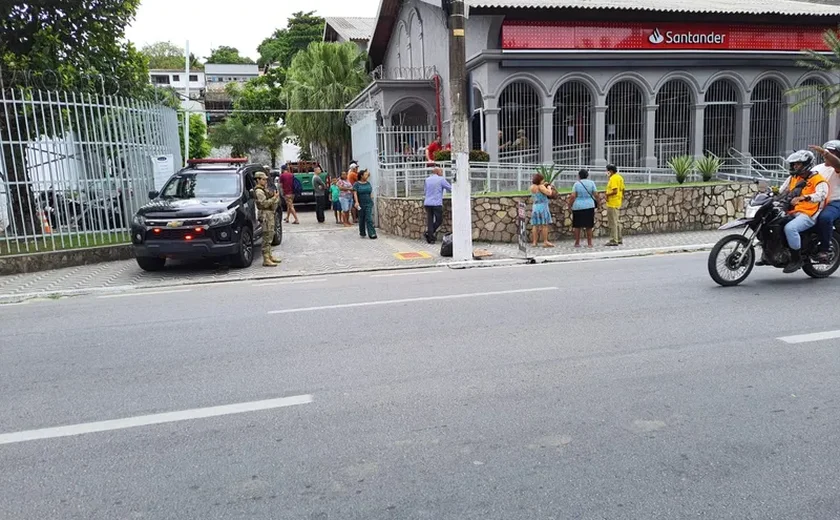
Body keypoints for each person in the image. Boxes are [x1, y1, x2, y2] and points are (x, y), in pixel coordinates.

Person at [778, 150, 828, 273]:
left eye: (798, 164)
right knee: (772, 224)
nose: (795, 166)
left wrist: (805, 197)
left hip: (808, 214)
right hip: (792, 211)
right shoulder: (793, 177)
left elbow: (822, 194)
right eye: (794, 164)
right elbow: (782, 190)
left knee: (790, 228)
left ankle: (796, 259)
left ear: (807, 164)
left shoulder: (818, 179)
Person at [808, 141, 840, 263]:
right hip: (815, 201)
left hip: (834, 202)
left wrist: (824, 152)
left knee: (825, 218)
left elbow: (837, 163)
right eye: (827, 152)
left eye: (832, 152)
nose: (827, 155)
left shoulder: (837, 167)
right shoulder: (817, 168)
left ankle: (825, 250)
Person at [254, 170, 281, 267]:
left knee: (270, 234)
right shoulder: (259, 191)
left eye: (266, 179)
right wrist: (274, 198)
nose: (265, 181)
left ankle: (269, 255)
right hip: (265, 215)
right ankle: (266, 258)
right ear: (258, 180)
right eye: (263, 179)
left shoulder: (263, 189)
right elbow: (264, 204)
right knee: (266, 236)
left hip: (269, 214)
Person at [569, 168, 598, 248]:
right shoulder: (592, 183)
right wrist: (598, 202)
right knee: (589, 225)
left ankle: (577, 242)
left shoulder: (576, 184)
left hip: (578, 206)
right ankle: (589, 243)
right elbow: (595, 194)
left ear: (579, 176)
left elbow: (573, 196)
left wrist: (570, 205)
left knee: (577, 225)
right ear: (587, 175)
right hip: (589, 205)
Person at [423, 166, 452, 244]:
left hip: (427, 203)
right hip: (436, 203)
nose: (442, 173)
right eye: (441, 172)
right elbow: (450, 188)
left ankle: (430, 237)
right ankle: (429, 234)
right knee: (439, 220)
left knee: (430, 221)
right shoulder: (441, 179)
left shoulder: (427, 179)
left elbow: (425, 191)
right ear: (437, 172)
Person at [529, 172, 554, 248]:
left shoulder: (532, 187)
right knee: (544, 224)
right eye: (542, 180)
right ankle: (545, 241)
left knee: (535, 225)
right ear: (539, 180)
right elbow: (549, 193)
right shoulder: (541, 187)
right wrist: (549, 187)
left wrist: (544, 185)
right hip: (542, 206)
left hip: (535, 206)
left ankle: (534, 242)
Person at [604, 164, 625, 246]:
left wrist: (607, 195)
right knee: (617, 221)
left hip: (612, 203)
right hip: (617, 202)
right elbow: (623, 189)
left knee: (612, 222)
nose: (606, 172)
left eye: (607, 171)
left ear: (611, 171)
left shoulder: (613, 178)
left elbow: (615, 191)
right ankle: (619, 238)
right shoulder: (619, 177)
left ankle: (613, 240)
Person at [353, 169, 377, 239]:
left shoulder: (368, 183)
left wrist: (371, 201)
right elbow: (355, 194)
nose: (367, 176)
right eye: (365, 174)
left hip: (368, 203)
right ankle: (362, 232)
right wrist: (356, 202)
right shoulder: (356, 184)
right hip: (361, 203)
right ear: (361, 176)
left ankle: (372, 233)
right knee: (361, 218)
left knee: (369, 218)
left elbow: (370, 193)